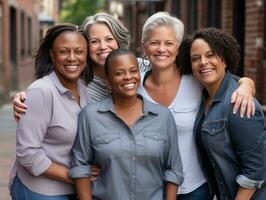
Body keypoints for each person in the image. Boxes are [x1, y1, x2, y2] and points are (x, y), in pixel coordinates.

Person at [11, 11, 256, 198]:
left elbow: (220, 79)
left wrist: (246, 85)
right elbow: (50, 92)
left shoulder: (143, 68)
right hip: (122, 185)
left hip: (190, 183)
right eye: (94, 41)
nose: (103, 46)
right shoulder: (83, 82)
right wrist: (25, 97)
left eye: (109, 39)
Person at [137, 12, 257, 200]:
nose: (161, 49)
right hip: (149, 189)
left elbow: (226, 81)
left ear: (178, 48)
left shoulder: (194, 80)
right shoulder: (134, 87)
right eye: (154, 42)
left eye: (169, 43)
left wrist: (247, 85)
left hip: (195, 189)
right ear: (144, 46)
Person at [70, 48, 183, 200]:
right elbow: (80, 167)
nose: (128, 77)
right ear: (108, 81)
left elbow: (173, 169)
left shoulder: (163, 117)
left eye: (133, 71)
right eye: (119, 73)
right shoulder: (90, 116)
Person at [178, 27, 266, 200]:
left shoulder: (239, 103)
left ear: (224, 59)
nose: (203, 62)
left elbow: (255, 170)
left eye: (210, 55)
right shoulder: (203, 96)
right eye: (196, 58)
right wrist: (247, 82)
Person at [9, 23, 93, 200]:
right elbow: (27, 153)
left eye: (79, 51)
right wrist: (75, 176)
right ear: (52, 55)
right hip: (42, 189)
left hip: (75, 187)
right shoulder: (41, 91)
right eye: (64, 52)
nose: (72, 58)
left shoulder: (84, 90)